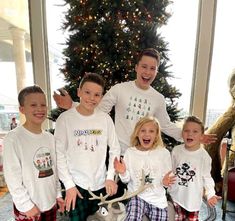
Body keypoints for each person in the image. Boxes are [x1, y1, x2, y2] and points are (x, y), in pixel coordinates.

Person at [53, 48, 216, 155]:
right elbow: (98, 110)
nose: (147, 72)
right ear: (136, 67)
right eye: (144, 66)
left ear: (156, 71)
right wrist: (72, 105)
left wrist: (192, 136)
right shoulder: (119, 89)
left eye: (153, 68)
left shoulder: (158, 99)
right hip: (119, 153)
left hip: (142, 154)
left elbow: (166, 126)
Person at [3, 85, 72, 221]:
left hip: (49, 201)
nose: (40, 109)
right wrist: (25, 205)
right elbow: (12, 176)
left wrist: (59, 195)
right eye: (33, 105)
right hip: (27, 208)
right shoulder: (15, 138)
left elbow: (53, 171)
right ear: (22, 109)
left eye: (43, 104)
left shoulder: (49, 137)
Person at [54, 72, 120, 221]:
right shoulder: (66, 119)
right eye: (88, 92)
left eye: (97, 94)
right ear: (79, 92)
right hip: (77, 187)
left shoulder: (105, 119)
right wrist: (69, 185)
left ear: (101, 97)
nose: (92, 98)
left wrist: (110, 177)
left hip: (100, 187)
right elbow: (59, 154)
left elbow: (115, 149)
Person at [169, 116, 220, 221]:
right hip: (176, 196)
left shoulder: (203, 156)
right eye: (186, 130)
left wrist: (210, 193)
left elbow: (206, 177)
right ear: (182, 133)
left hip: (192, 200)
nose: (190, 134)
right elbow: (170, 170)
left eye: (195, 131)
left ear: (201, 136)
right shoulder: (177, 150)